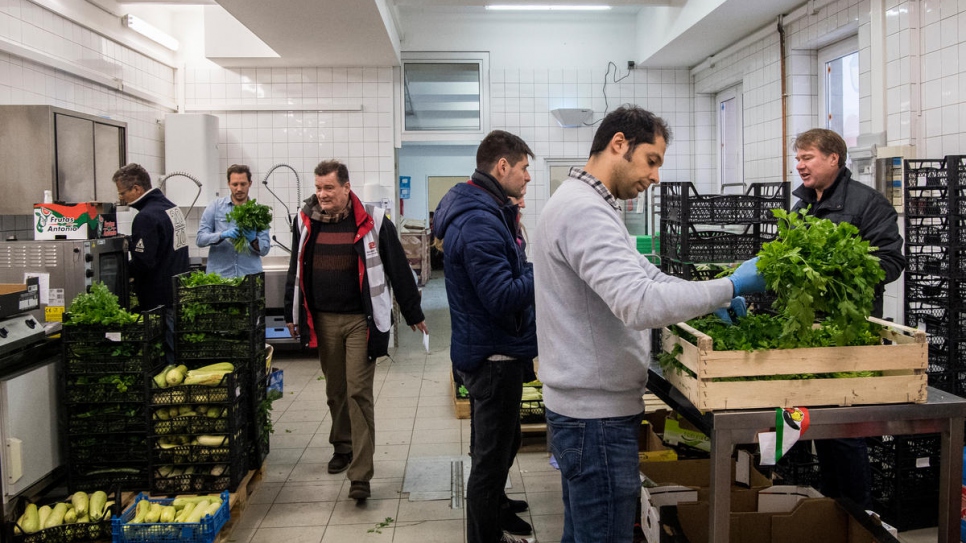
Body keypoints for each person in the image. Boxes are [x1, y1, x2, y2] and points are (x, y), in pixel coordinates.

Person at [532, 106, 764, 543]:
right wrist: (734, 283)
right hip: (595, 419)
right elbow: (638, 304)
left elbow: (649, 276)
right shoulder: (585, 212)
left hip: (586, 413)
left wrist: (715, 294)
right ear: (619, 145)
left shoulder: (588, 204)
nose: (655, 176)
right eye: (652, 160)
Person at [283, 159, 428, 502]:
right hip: (323, 320)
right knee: (335, 390)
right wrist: (292, 312)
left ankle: (361, 474)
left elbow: (397, 267)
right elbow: (295, 267)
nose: (322, 195)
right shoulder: (304, 221)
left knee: (358, 393)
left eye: (329, 188)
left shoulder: (374, 221)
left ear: (347, 187)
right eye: (318, 188)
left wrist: (413, 312)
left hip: (361, 320)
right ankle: (342, 445)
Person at [432, 130, 538, 543]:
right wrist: (540, 271)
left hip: (495, 349)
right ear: (503, 166)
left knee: (503, 443)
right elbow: (501, 296)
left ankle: (498, 506)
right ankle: (485, 534)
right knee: (490, 461)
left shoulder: (488, 210)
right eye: (525, 168)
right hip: (494, 357)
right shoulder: (478, 221)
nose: (528, 177)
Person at [791, 128, 905, 509]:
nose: (800, 165)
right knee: (818, 425)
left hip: (848, 333)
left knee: (844, 427)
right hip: (807, 330)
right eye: (798, 158)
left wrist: (835, 273)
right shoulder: (801, 205)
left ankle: (859, 517)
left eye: (807, 157)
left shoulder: (868, 204)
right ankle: (829, 510)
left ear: (833, 159)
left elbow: (890, 262)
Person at [113, 163, 189, 364]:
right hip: (177, 293)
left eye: (123, 193)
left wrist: (120, 272)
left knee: (168, 359)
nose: (121, 198)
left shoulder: (145, 216)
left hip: (160, 301)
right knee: (178, 354)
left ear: (137, 189)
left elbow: (145, 262)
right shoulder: (171, 208)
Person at [196, 164, 271, 278]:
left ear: (250, 183)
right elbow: (200, 239)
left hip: (249, 278)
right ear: (228, 184)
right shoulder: (215, 207)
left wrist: (253, 240)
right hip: (219, 278)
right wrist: (221, 235)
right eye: (235, 184)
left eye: (243, 184)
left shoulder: (258, 211)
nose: (239, 189)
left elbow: (265, 249)